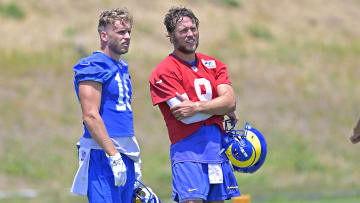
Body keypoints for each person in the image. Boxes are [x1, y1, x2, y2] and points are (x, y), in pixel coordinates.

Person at [149, 6, 240, 203]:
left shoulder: (214, 64)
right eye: (183, 31)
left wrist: (198, 106)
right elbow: (186, 115)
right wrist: (219, 108)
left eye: (193, 29)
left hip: (216, 151)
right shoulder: (164, 70)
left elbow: (230, 101)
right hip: (187, 151)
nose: (190, 34)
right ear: (171, 36)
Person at [70, 8, 141, 203]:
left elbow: (121, 114)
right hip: (104, 154)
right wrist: (114, 155)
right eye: (120, 32)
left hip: (124, 152)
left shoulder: (122, 66)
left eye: (129, 32)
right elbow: (90, 116)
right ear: (104, 35)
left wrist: (133, 155)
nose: (127, 37)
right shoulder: (93, 65)